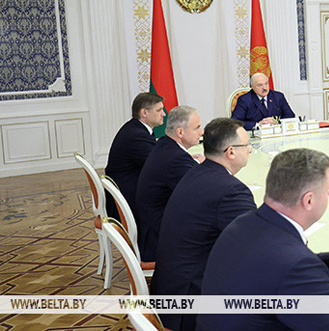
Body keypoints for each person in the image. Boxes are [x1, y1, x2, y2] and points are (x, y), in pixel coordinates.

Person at [199, 148, 329, 331]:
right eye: (327, 191)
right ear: (309, 200)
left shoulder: (242, 224)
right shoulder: (296, 265)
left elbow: (276, 272)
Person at [152, 117, 257, 331]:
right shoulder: (231, 191)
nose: (250, 150)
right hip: (190, 304)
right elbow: (259, 246)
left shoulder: (197, 172)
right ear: (231, 152)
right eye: (247, 145)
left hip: (170, 287)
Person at [135, 105, 204, 262]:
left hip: (153, 223)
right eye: (197, 128)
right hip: (158, 238)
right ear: (180, 132)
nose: (201, 132)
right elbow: (200, 192)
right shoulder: (176, 159)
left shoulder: (165, 145)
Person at [104, 92, 165, 218]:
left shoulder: (136, 128)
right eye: (159, 110)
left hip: (126, 187)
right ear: (144, 113)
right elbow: (157, 167)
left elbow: (155, 156)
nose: (163, 114)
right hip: (126, 198)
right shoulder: (136, 135)